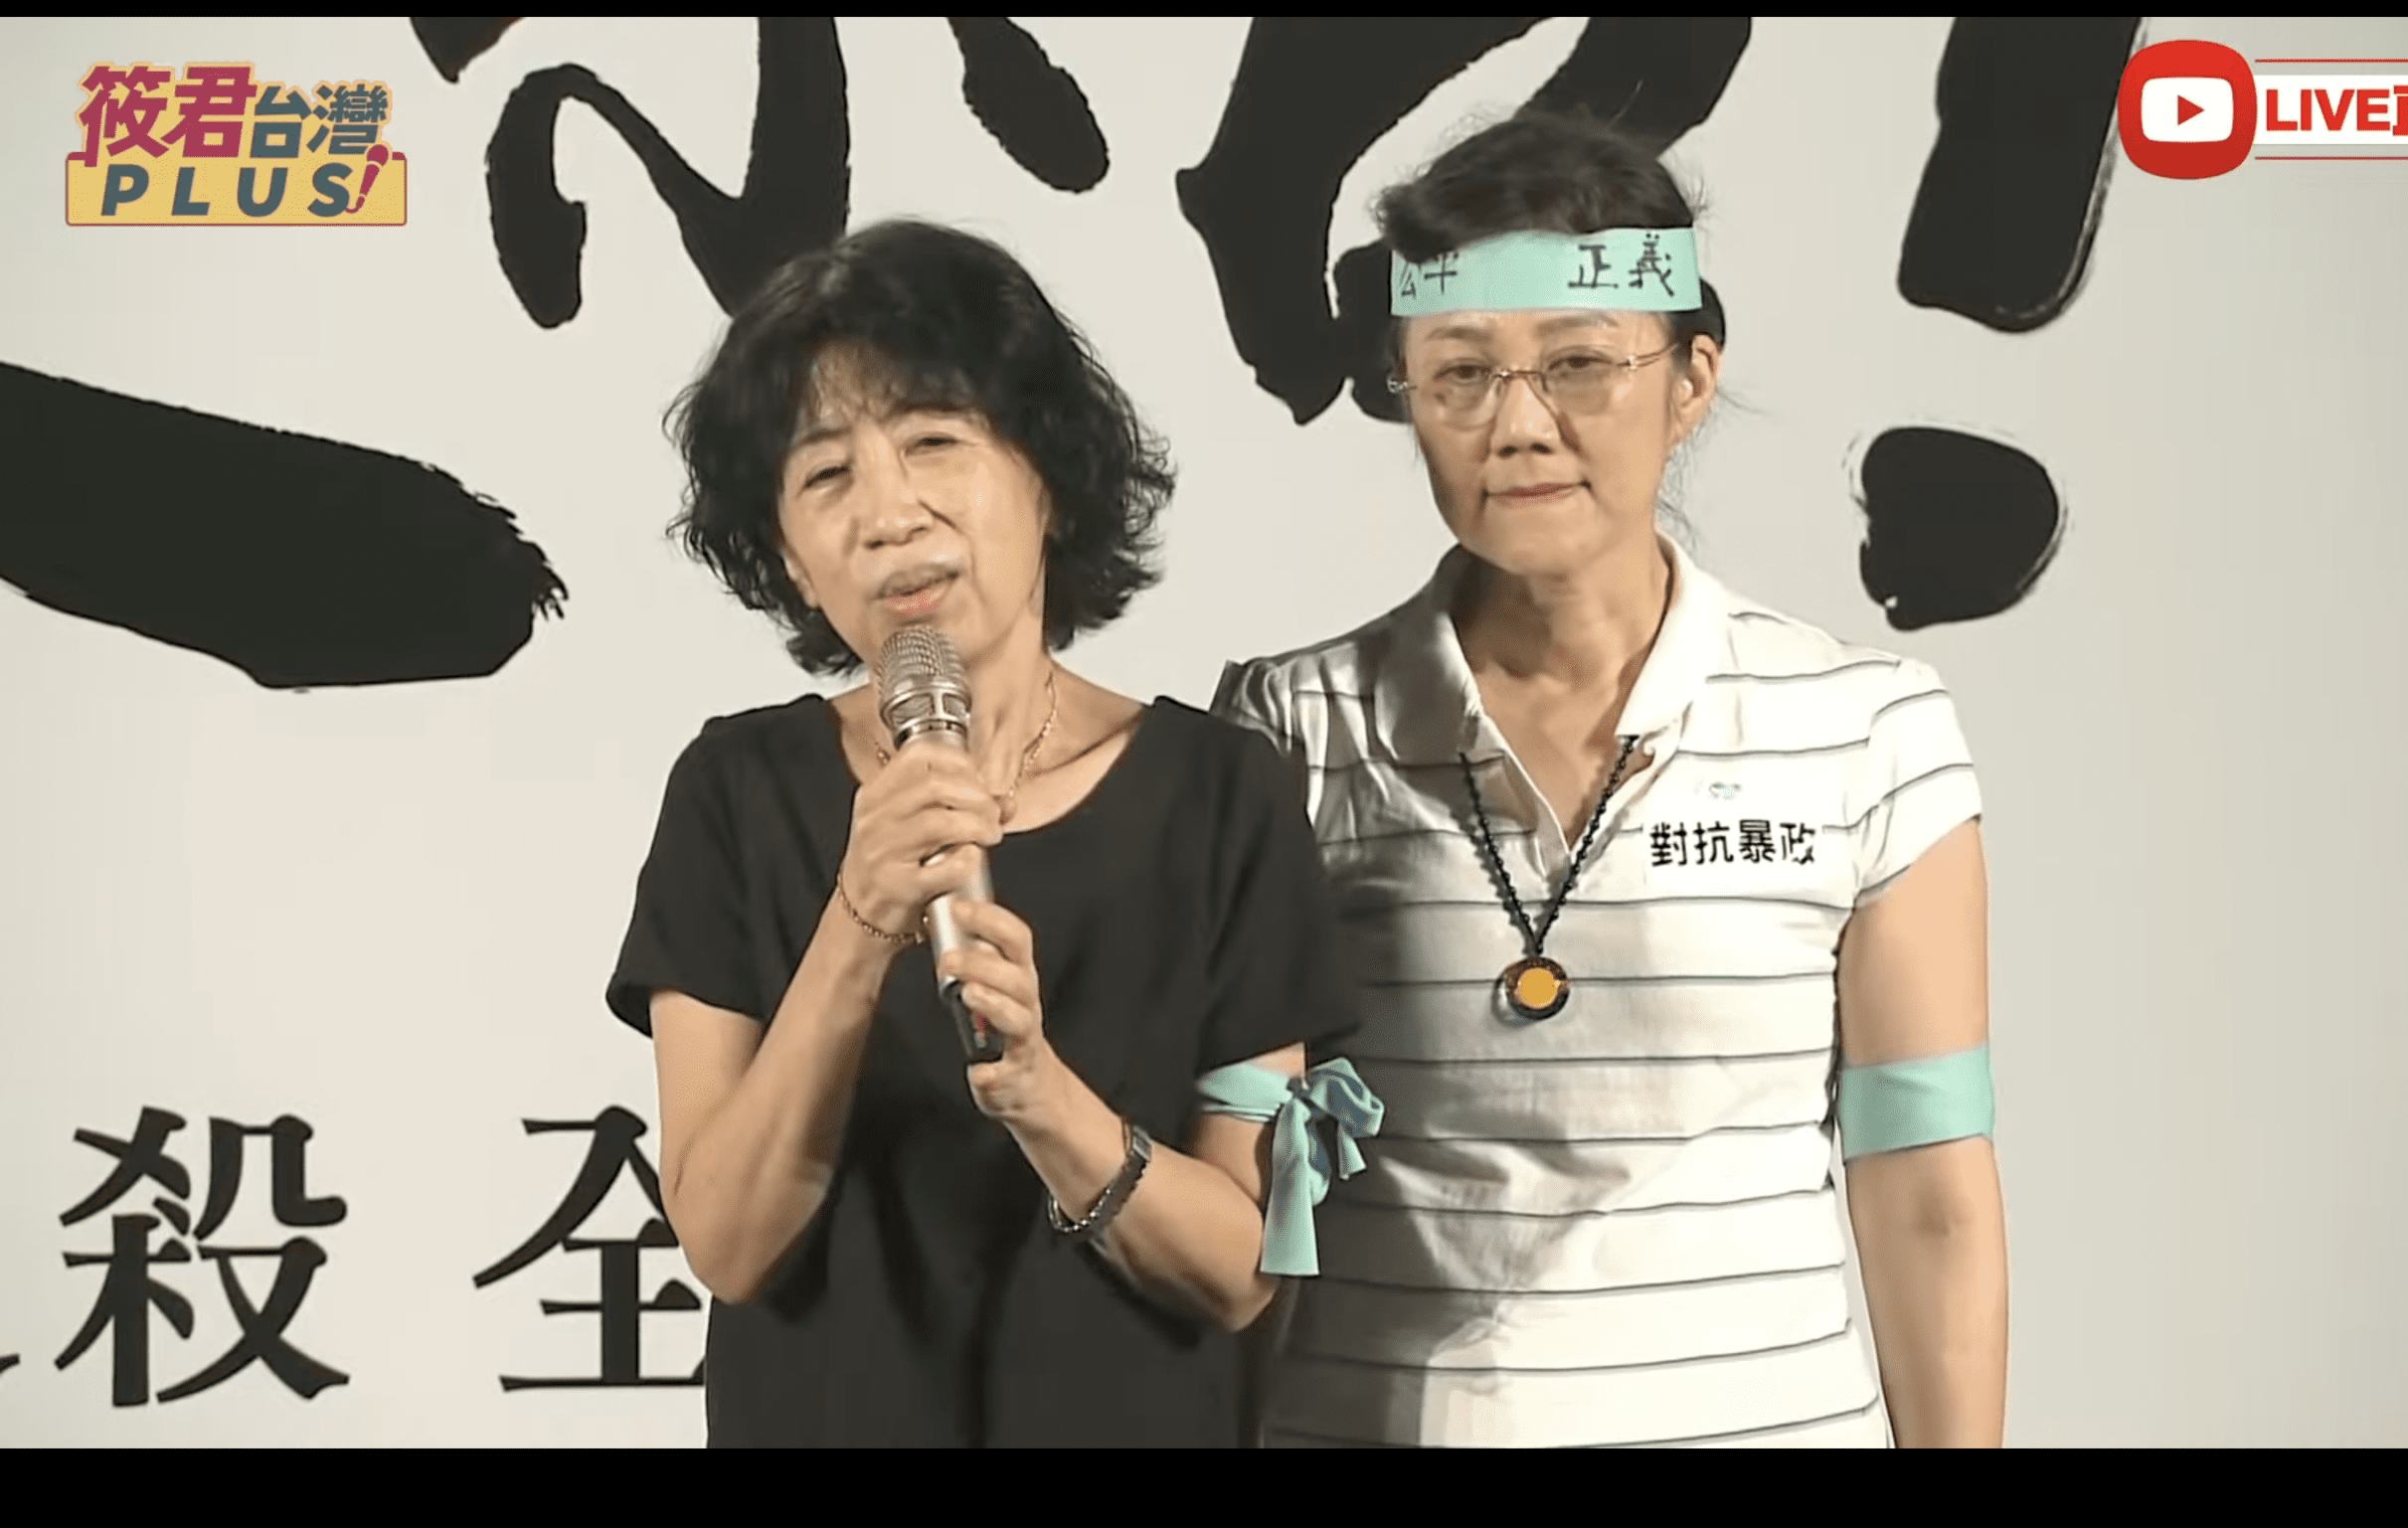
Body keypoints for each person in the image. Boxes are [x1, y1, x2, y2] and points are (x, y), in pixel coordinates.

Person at [1212, 110, 2008, 1448]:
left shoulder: (1868, 729)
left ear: (1691, 380)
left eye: (1580, 365)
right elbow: (1230, 1188)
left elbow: (1928, 1190)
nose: (1519, 426)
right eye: (1460, 374)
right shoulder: (1291, 725)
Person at [606, 219, 1380, 1447]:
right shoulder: (734, 792)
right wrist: (858, 923)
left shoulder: (1223, 794)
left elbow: (1245, 1265)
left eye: (932, 441)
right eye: (825, 476)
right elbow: (728, 1243)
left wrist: (1041, 1096)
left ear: (1047, 477)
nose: (888, 513)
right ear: (792, 562)